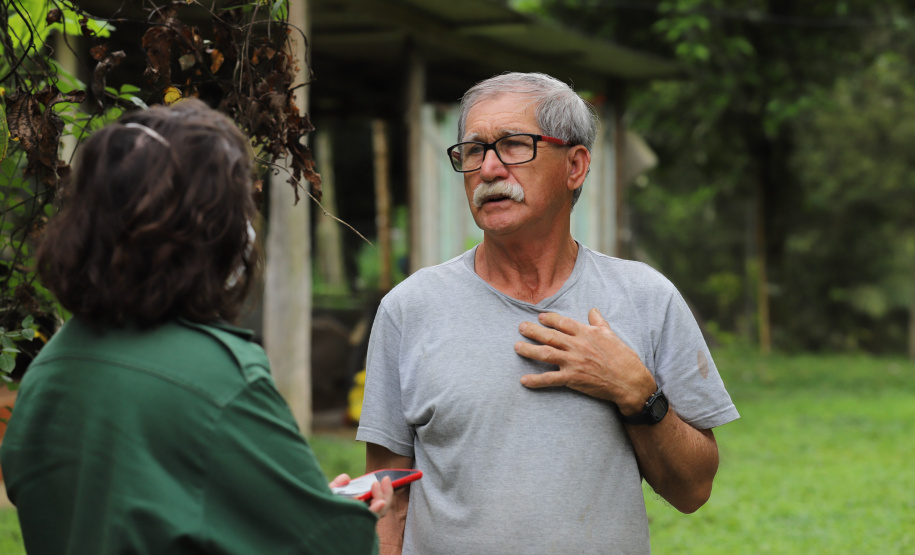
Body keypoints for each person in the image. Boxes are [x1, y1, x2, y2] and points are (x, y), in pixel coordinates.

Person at [356, 72, 740, 554]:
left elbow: (693, 490)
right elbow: (388, 498)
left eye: (514, 145)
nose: (489, 169)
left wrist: (638, 393)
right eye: (473, 151)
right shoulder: (409, 309)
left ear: (575, 165)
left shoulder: (645, 298)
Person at [0, 99, 392, 554]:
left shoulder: (53, 367)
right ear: (209, 226)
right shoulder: (218, 376)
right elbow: (324, 545)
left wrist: (292, 497)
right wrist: (345, 520)